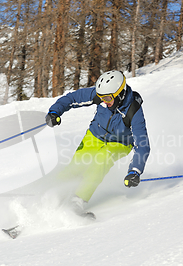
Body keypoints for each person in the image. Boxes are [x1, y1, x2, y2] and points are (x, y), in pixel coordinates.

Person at [45, 70, 151, 216]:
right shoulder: (102, 96)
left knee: (101, 159)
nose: (104, 102)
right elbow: (72, 98)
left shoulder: (134, 110)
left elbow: (143, 144)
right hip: (95, 135)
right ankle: (49, 197)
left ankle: (77, 202)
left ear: (120, 94)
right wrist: (55, 112)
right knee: (75, 167)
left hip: (120, 143)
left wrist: (135, 171)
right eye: (101, 98)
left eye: (107, 98)